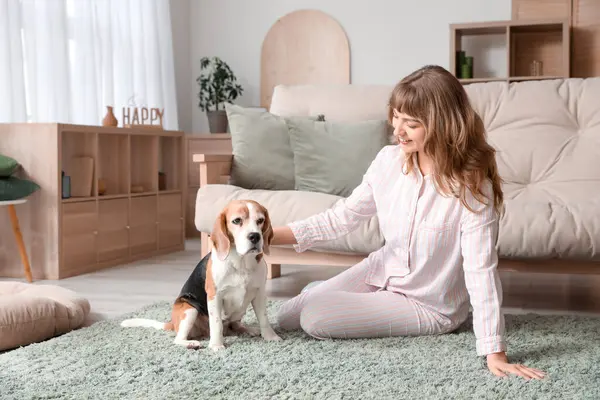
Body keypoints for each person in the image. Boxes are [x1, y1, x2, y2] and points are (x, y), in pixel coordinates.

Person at [271, 65, 546, 380]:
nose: (397, 131)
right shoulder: (388, 161)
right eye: (396, 116)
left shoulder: (471, 187)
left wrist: (494, 351)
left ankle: (322, 295)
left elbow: (480, 270)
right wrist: (267, 236)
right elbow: (343, 217)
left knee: (314, 316)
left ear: (443, 125)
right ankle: (324, 292)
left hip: (428, 305)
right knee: (284, 316)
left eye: (411, 123)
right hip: (382, 271)